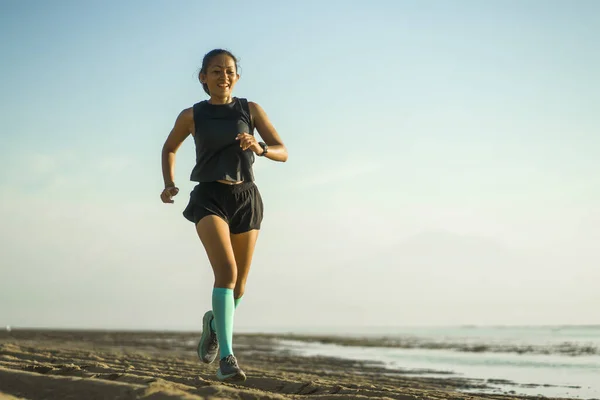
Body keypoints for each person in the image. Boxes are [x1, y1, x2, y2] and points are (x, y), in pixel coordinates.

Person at [159, 49, 288, 382]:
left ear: (237, 76)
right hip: (209, 197)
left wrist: (259, 147)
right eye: (215, 71)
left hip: (246, 198)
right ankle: (227, 359)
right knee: (227, 272)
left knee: (240, 287)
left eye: (229, 71)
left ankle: (214, 324)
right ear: (203, 77)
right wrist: (169, 184)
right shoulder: (193, 115)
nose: (223, 76)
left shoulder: (251, 109)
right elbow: (170, 147)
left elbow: (282, 151)